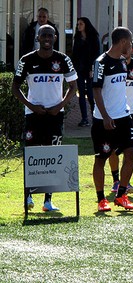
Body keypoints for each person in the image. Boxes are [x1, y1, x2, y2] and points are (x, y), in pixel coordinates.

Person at [12, 25, 78, 211]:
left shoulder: (63, 59)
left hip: (55, 116)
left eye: (50, 35)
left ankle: (48, 201)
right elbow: (15, 87)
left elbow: (73, 86)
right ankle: (28, 196)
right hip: (34, 115)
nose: (47, 38)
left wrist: (59, 106)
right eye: (44, 35)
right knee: (32, 156)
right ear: (38, 38)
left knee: (52, 157)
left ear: (55, 38)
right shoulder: (27, 60)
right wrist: (31, 106)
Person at [91, 27, 133, 212]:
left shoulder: (123, 62)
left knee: (132, 152)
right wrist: (105, 116)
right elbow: (95, 90)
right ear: (124, 42)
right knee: (101, 158)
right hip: (104, 120)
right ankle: (101, 199)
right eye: (131, 42)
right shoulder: (101, 62)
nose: (132, 46)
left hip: (124, 117)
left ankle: (121, 195)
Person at [109, 42, 133, 194]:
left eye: (129, 48)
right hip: (115, 112)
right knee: (112, 148)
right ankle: (115, 180)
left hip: (131, 113)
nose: (125, 51)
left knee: (130, 149)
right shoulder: (112, 64)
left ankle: (126, 181)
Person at [72, 17, 101, 127]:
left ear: (86, 25)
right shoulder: (77, 38)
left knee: (90, 93)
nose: (79, 26)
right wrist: (74, 68)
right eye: (78, 24)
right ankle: (84, 118)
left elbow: (96, 55)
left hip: (90, 70)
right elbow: (74, 54)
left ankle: (95, 116)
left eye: (81, 24)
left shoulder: (93, 37)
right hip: (79, 69)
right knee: (81, 93)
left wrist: (92, 69)